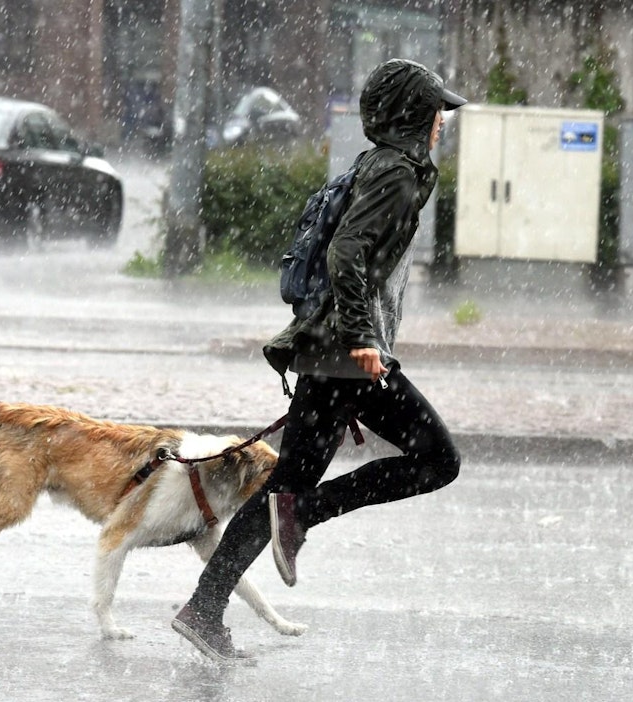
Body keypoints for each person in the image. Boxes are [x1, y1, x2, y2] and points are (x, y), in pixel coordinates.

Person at [171, 58, 467, 661]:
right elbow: (346, 252)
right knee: (437, 459)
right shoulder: (397, 173)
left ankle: (206, 606)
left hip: (332, 353)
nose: (442, 122)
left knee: (284, 482)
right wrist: (362, 338)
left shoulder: (380, 164)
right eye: (436, 110)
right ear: (414, 114)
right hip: (347, 356)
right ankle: (302, 514)